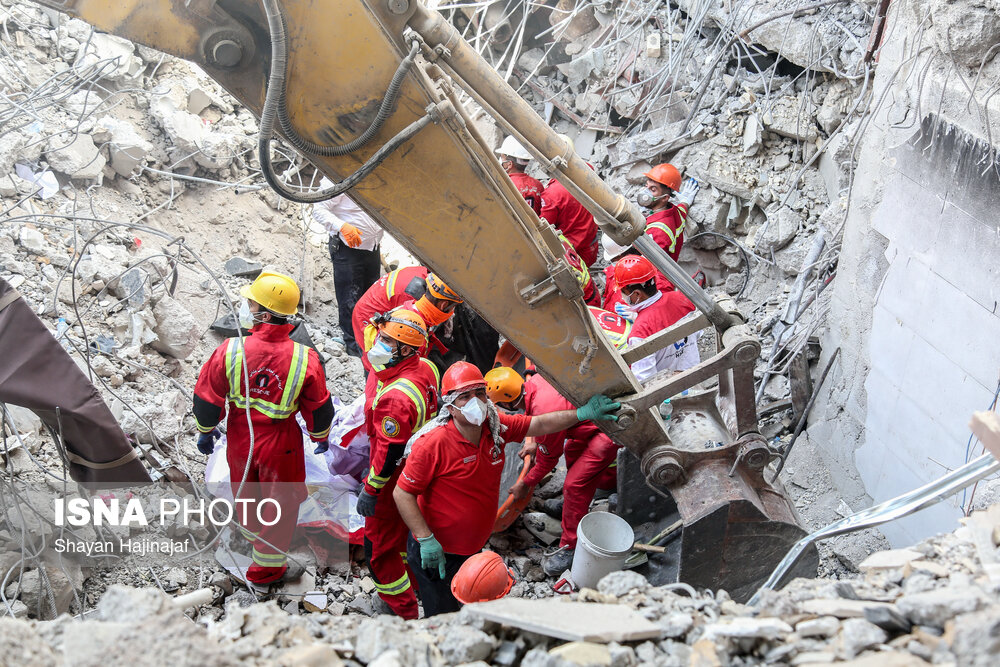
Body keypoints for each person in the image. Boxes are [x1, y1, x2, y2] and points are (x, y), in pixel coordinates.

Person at [393, 362, 620, 616]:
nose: (475, 402)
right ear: (450, 405)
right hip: (438, 552)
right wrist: (425, 539)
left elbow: (540, 425)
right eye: (465, 396)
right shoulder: (433, 444)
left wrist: (582, 414)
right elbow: (402, 493)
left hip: (472, 547)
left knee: (472, 606)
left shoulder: (495, 427)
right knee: (443, 612)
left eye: (479, 393)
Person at [193, 271, 334, 585]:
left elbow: (207, 396)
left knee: (246, 491)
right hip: (281, 444)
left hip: (241, 439)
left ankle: (253, 543)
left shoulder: (230, 350)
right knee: (279, 506)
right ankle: (267, 568)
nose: (246, 307)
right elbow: (319, 406)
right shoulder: (304, 358)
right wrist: (320, 436)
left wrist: (205, 429)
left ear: (265, 313)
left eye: (251, 303)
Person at [486, 367, 620, 575]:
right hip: (591, 423)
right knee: (571, 451)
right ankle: (571, 509)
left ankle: (569, 547)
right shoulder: (536, 381)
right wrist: (538, 442)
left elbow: (548, 460)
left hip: (605, 431)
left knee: (575, 485)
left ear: (506, 402)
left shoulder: (542, 411)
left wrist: (526, 483)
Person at [355, 309, 439, 619]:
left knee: (377, 548)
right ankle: (412, 583)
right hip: (417, 468)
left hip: (392, 478)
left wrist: (371, 490)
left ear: (405, 349)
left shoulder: (396, 398)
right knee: (404, 534)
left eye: (388, 340)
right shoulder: (426, 367)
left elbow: (389, 451)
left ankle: (401, 609)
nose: (379, 342)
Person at [311, 179, 385, 358]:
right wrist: (341, 226)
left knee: (370, 296)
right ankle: (352, 343)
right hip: (347, 248)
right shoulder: (337, 176)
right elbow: (318, 209)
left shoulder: (377, 172)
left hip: (371, 246)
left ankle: (369, 337)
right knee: (349, 298)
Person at [353, 269, 463, 373]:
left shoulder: (426, 283)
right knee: (377, 359)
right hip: (366, 316)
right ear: (443, 305)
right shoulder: (411, 323)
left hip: (377, 310)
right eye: (453, 308)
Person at [614, 256, 700, 382]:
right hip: (697, 374)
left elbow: (645, 380)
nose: (622, 296)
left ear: (637, 294)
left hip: (669, 395)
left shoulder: (640, 331)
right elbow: (697, 334)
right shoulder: (682, 299)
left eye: (624, 292)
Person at [540, 136, 599, 266]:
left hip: (572, 254)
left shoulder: (552, 194)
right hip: (591, 246)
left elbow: (544, 228)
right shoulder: (588, 170)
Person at [641, 164, 700, 263]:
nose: (645, 193)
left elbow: (652, 268)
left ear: (665, 198)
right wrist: (686, 201)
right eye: (646, 186)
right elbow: (682, 210)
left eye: (653, 189)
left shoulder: (658, 232)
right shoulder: (673, 212)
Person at [495, 136, 543, 216]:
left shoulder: (504, 184)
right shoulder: (538, 185)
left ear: (509, 164)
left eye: (502, 157)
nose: (500, 160)